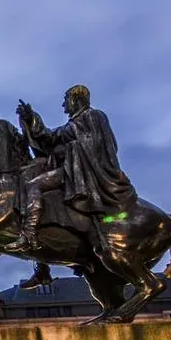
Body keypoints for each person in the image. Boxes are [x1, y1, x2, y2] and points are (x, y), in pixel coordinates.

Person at [10, 85, 137, 253]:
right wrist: (30, 118)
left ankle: (29, 235)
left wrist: (67, 150)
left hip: (84, 171)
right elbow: (51, 137)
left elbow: (97, 145)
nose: (64, 105)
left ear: (76, 99)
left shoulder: (93, 116)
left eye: (65, 100)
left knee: (34, 185)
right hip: (72, 169)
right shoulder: (75, 123)